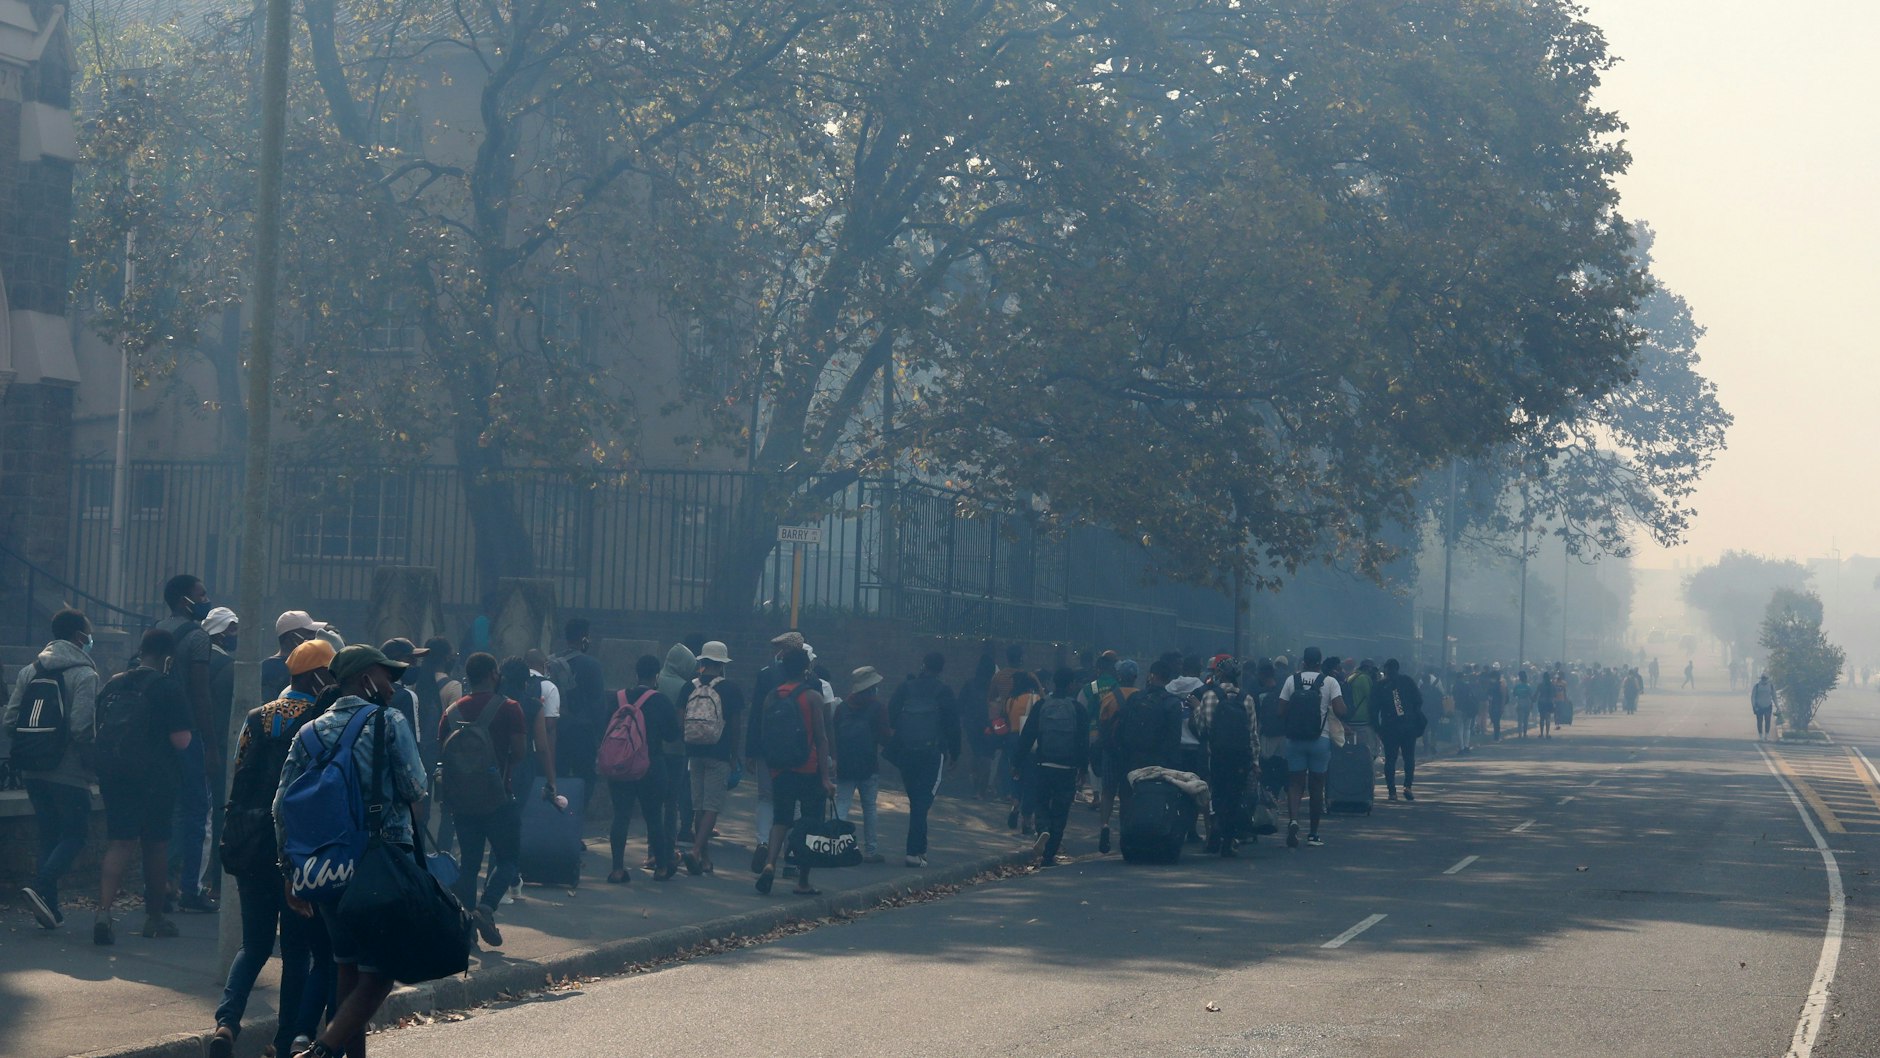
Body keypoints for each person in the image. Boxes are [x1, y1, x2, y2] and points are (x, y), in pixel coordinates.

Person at [274, 643, 427, 1058]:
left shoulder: (309, 732)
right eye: (386, 677)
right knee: (381, 973)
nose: (392, 687)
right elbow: (415, 786)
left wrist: (290, 871)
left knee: (347, 968)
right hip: (379, 865)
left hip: (327, 867)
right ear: (365, 679)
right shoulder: (388, 722)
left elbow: (281, 806)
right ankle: (323, 1050)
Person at [209, 639, 337, 1058]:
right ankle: (285, 1042)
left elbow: (239, 771)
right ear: (318, 676)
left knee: (254, 945)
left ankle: (227, 1022)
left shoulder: (257, 717)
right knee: (296, 951)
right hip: (294, 848)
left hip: (250, 841)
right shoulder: (320, 722)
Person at [93, 628, 195, 944]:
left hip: (115, 774)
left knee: (120, 842)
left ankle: (103, 912)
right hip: (156, 778)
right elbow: (181, 741)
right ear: (168, 657)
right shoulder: (168, 688)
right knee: (156, 845)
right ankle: (155, 917)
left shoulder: (113, 684)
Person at [4, 608, 100, 930]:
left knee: (49, 834)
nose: (90, 638)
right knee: (75, 834)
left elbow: (10, 720)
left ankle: (50, 907)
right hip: (67, 771)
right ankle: (43, 885)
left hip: (32, 769)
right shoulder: (85, 674)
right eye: (88, 633)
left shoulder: (29, 671)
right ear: (78, 637)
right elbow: (82, 727)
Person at [438, 652, 526, 947]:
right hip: (499, 797)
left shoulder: (451, 712)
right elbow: (520, 752)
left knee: (470, 863)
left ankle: (466, 928)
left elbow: (443, 754)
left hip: (462, 801)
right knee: (508, 859)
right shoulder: (509, 708)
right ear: (493, 674)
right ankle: (486, 908)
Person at [156, 574, 219, 914]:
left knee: (164, 810)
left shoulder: (155, 630)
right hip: (189, 734)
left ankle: (159, 884)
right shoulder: (197, 637)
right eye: (202, 594)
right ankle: (190, 888)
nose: (207, 600)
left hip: (157, 735)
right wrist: (210, 744)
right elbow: (201, 693)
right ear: (185, 600)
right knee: (196, 812)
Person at [755, 647, 833, 897]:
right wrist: (826, 777)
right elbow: (821, 738)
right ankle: (803, 881)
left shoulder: (772, 696)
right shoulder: (813, 697)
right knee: (809, 823)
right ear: (806, 669)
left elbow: (765, 734)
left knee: (780, 820)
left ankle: (770, 863)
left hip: (781, 769)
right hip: (809, 768)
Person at [604, 655, 679, 883]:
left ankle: (617, 869)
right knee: (654, 816)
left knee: (621, 816)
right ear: (656, 676)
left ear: (636, 673)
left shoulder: (616, 698)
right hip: (651, 765)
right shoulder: (661, 701)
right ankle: (662, 868)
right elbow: (672, 735)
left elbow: (604, 727)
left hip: (620, 765)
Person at [887, 652, 960, 867]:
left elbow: (891, 715)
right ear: (941, 669)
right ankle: (913, 852)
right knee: (922, 802)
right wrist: (955, 754)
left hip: (907, 752)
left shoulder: (906, 687)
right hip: (932, 753)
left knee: (916, 800)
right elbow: (953, 726)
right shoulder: (944, 692)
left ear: (923, 665)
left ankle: (921, 850)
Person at [1014, 668, 1089, 866]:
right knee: (1061, 810)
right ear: (1071, 684)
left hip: (1043, 764)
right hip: (1067, 768)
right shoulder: (1078, 709)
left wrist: (1017, 763)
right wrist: (1083, 769)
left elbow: (1027, 736)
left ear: (1054, 683)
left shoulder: (1041, 705)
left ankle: (1043, 828)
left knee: (1041, 803)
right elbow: (1083, 742)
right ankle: (1049, 855)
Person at [1277, 646, 1346, 848]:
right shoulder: (1330, 682)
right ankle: (1313, 834)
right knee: (1317, 787)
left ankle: (1293, 820)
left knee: (1295, 784)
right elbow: (1341, 710)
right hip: (1320, 740)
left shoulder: (1292, 680)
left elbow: (1280, 711)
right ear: (1320, 662)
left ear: (1303, 661)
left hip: (1294, 740)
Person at [685, 641, 744, 876]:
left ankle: (705, 858)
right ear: (721, 665)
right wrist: (733, 754)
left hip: (694, 753)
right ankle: (696, 851)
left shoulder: (689, 687)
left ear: (703, 662)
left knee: (699, 806)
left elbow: (680, 717)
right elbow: (736, 726)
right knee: (712, 806)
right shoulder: (730, 689)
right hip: (719, 753)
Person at [746, 631, 802, 875]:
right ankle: (792, 852)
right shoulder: (808, 679)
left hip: (766, 746)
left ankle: (763, 842)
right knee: (794, 800)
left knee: (766, 797)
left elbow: (755, 714)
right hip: (797, 750)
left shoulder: (765, 674)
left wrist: (750, 749)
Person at [1192, 657, 1258, 857]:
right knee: (1235, 796)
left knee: (1217, 795)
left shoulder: (1210, 695)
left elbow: (1201, 727)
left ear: (1219, 674)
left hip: (1216, 755)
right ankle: (1229, 841)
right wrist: (1255, 762)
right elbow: (1253, 734)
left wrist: (1197, 708)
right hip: (1241, 757)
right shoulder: (1247, 699)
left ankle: (1215, 830)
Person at [831, 667, 890, 864]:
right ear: (871, 687)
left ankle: (835, 846)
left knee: (842, 804)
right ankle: (871, 850)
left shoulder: (842, 707)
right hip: (868, 765)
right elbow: (884, 737)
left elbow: (834, 734)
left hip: (845, 764)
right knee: (869, 808)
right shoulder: (878, 708)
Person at [653, 642, 697, 871]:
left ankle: (652, 852)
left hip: (653, 750)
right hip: (677, 751)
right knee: (671, 804)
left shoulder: (656, 681)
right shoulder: (686, 686)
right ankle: (669, 851)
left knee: (653, 804)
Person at [1090, 657, 1139, 855]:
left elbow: (1102, 724)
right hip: (1131, 754)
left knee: (1108, 792)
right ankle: (1125, 830)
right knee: (1127, 793)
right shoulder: (1141, 697)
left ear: (1119, 676)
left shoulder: (1109, 697)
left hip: (1111, 751)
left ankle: (1104, 825)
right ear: (1135, 677)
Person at [551, 620, 608, 784]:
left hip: (555, 730)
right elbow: (598, 704)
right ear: (584, 639)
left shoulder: (550, 662)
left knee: (557, 777)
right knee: (584, 779)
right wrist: (602, 735)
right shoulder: (592, 665)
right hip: (582, 732)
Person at [1000, 668, 1044, 834]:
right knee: (1031, 779)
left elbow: (1006, 718)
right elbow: (1044, 703)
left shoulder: (1010, 700)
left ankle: (1015, 803)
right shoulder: (1035, 698)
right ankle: (1027, 820)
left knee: (1015, 773)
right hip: (1030, 741)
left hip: (1012, 739)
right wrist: (1037, 682)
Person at [1374, 659, 1424, 802]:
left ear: (1386, 669)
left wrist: (1378, 728)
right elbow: (1418, 701)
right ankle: (1408, 786)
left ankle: (1392, 792)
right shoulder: (1407, 681)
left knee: (1390, 759)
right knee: (1409, 757)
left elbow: (1373, 709)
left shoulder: (1381, 685)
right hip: (1408, 726)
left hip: (1389, 727)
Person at [264, 611, 330, 701]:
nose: (314, 637)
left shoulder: (313, 663)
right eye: (309, 633)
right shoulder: (267, 669)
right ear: (292, 636)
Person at [1451, 666, 1478, 754]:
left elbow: (1454, 697)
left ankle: (1461, 748)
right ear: (1463, 677)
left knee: (1459, 728)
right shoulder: (1467, 686)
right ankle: (1466, 746)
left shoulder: (1455, 686)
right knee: (1467, 728)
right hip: (1469, 709)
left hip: (1459, 708)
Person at [1752, 673, 1776, 740]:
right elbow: (1753, 697)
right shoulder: (1757, 686)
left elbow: (1774, 697)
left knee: (1768, 720)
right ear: (1761, 678)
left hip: (1768, 706)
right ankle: (1760, 736)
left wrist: (1777, 707)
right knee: (1759, 721)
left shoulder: (1771, 686)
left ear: (1767, 679)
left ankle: (1766, 736)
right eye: (1763, 678)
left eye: (1765, 678)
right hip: (1759, 706)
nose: (1764, 680)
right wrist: (1754, 705)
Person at [1512, 669, 1533, 738]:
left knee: (1520, 719)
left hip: (1519, 701)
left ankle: (1519, 734)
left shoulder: (1517, 686)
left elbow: (1514, 694)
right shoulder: (1528, 686)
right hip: (1527, 702)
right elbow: (1530, 696)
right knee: (1526, 719)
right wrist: (1532, 704)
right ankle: (1525, 733)